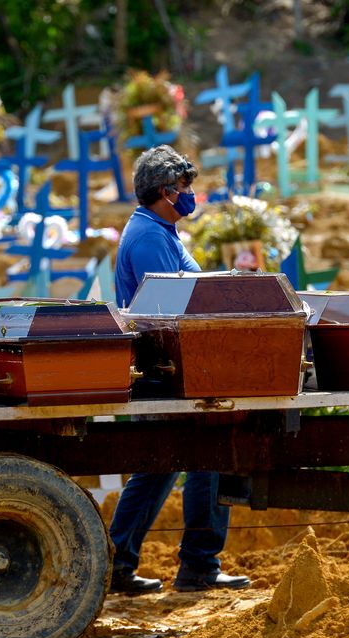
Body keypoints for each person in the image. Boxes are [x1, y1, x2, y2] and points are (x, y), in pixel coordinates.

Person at [108, 145, 251, 594]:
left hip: (169, 366)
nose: (191, 194)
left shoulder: (161, 230)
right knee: (207, 456)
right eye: (185, 186)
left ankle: (117, 564)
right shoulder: (150, 238)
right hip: (169, 369)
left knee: (157, 470)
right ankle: (199, 566)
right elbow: (173, 308)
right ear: (164, 192)